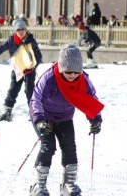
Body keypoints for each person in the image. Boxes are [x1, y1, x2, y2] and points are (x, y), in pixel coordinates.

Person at [29, 43, 104, 196]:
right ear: (61, 67)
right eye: (68, 71)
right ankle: (38, 184)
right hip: (44, 116)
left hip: (64, 117)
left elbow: (91, 99)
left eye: (76, 71)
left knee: (69, 146)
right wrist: (39, 120)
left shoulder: (83, 80)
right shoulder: (49, 77)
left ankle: (68, 183)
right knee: (48, 145)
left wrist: (95, 119)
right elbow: (36, 99)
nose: (72, 75)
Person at [0, 19, 42, 122]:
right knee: (13, 89)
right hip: (18, 69)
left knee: (29, 90)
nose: (21, 31)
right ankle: (8, 112)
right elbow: (0, 48)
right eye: (18, 29)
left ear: (26, 30)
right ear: (16, 31)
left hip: (29, 70)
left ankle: (33, 112)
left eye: (23, 29)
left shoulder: (31, 41)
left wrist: (33, 67)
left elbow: (38, 56)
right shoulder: (11, 40)